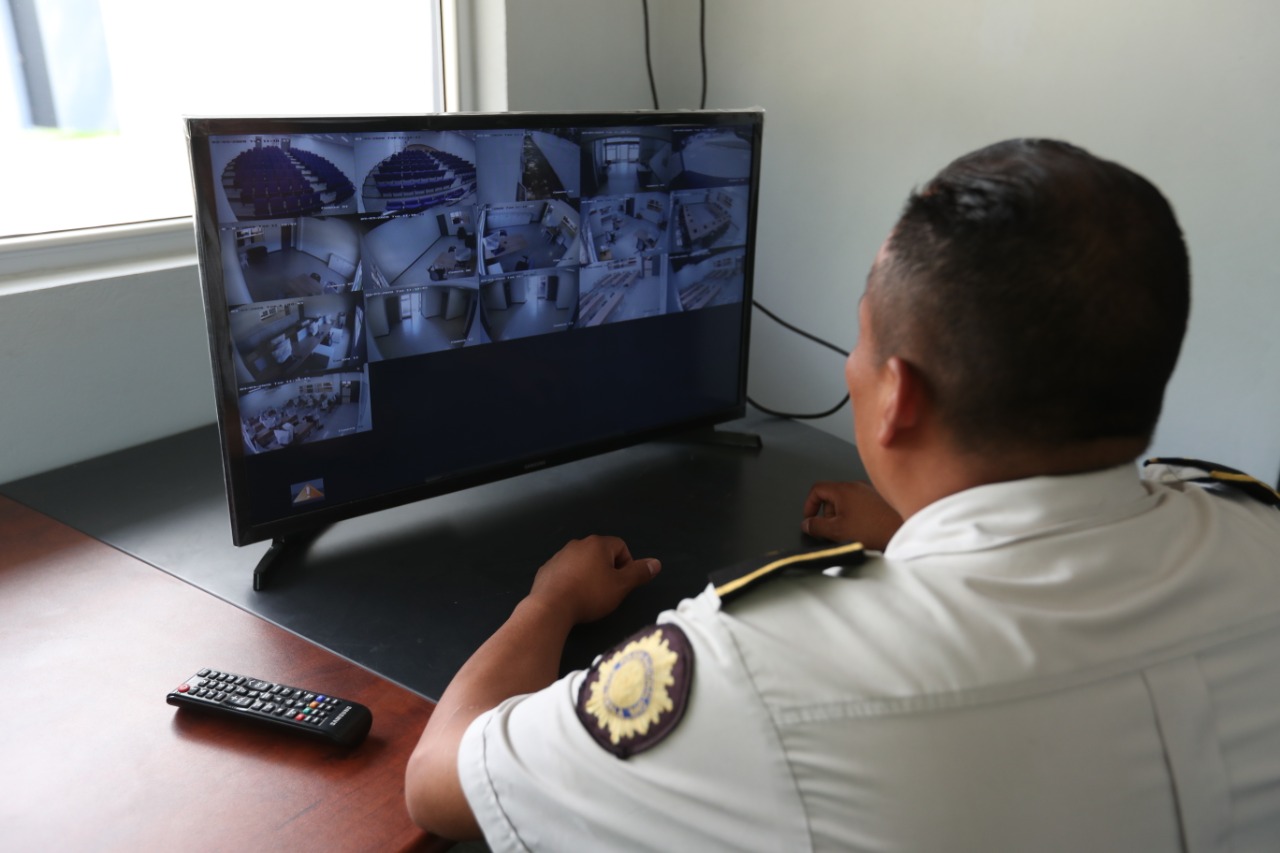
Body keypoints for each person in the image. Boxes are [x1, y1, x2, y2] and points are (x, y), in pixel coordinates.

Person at [405, 139, 1280, 850]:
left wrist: (549, 602)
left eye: (860, 340)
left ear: (898, 396)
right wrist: (911, 530)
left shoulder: (755, 672)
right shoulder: (1256, 530)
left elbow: (440, 783)